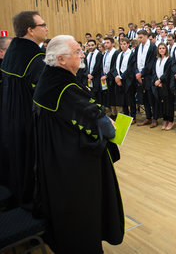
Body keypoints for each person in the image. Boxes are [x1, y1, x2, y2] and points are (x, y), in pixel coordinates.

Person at [32, 35, 124, 254]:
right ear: (61, 59)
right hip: (75, 164)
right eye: (77, 52)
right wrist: (109, 124)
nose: (82, 55)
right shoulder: (65, 87)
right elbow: (106, 128)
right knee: (82, 209)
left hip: (56, 158)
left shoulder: (48, 79)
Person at [0, 11, 47, 206]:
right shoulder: (34, 57)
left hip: (10, 115)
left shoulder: (13, 50)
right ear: (30, 30)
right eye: (42, 25)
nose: (46, 28)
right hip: (28, 119)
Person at [134, 30, 157, 126]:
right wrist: (137, 73)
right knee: (144, 98)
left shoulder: (152, 47)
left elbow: (151, 63)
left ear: (146, 36)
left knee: (152, 98)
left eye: (141, 37)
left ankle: (155, 118)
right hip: (139, 76)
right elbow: (135, 61)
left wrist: (142, 73)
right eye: (138, 37)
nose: (139, 39)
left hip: (149, 76)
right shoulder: (138, 47)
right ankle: (148, 117)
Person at [113, 37, 137, 124]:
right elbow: (115, 67)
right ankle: (126, 116)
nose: (122, 46)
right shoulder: (119, 55)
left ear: (128, 44)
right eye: (121, 44)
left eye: (124, 44)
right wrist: (116, 76)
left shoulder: (131, 54)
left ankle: (133, 117)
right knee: (123, 100)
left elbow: (130, 68)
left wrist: (121, 77)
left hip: (128, 80)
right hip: (120, 80)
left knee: (131, 100)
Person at [152, 43, 175, 130]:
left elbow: (167, 73)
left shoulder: (169, 59)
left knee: (168, 104)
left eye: (163, 48)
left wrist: (160, 80)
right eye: (160, 48)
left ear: (166, 49)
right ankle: (165, 120)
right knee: (162, 104)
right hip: (158, 84)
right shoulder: (157, 60)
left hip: (167, 85)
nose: (161, 50)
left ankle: (170, 121)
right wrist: (156, 80)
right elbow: (154, 71)